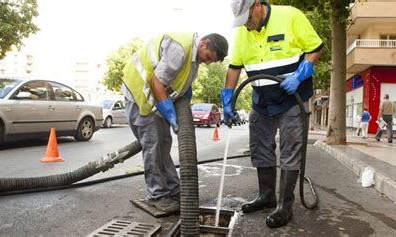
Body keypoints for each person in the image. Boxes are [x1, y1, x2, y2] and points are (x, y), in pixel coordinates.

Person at [222, 0, 323, 228]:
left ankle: (284, 207)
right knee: (259, 146)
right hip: (262, 100)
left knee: (290, 149)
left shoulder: (290, 16)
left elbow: (315, 48)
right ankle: (267, 196)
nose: (247, 25)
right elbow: (234, 67)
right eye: (242, 22)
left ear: (257, 4)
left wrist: (300, 74)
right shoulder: (243, 32)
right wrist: (228, 97)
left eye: (248, 19)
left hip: (291, 98)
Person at [122, 32, 228, 216]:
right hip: (141, 96)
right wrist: (171, 115)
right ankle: (157, 195)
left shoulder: (193, 59)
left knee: (163, 145)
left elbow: (177, 82)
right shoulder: (179, 49)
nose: (208, 62)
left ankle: (174, 191)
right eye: (209, 57)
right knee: (153, 146)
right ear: (203, 43)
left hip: (154, 100)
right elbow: (156, 82)